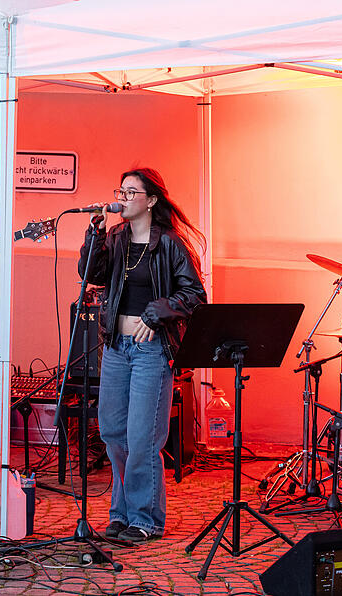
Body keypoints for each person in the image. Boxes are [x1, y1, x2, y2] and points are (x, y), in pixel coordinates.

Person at [79, 167, 206, 542]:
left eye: (131, 192)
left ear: (151, 201)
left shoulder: (169, 244)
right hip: (117, 347)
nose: (123, 197)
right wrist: (94, 234)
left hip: (151, 351)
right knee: (114, 433)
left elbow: (194, 295)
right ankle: (121, 512)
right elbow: (92, 275)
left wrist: (157, 312)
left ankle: (145, 519)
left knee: (142, 437)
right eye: (121, 190)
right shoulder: (115, 238)